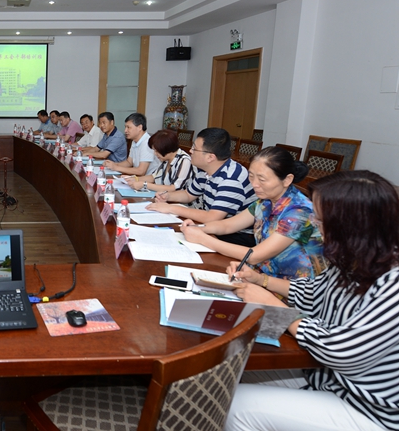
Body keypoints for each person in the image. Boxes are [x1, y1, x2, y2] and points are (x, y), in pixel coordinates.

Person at [225, 170, 399, 431]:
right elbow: (311, 293)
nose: (315, 224)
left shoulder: (393, 281)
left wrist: (275, 307)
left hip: (368, 408)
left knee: (235, 406)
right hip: (326, 378)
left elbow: (342, 351)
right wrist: (260, 280)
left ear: (350, 226)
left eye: (320, 219)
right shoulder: (354, 258)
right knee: (228, 371)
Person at [181, 146, 325, 280]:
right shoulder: (265, 201)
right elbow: (228, 225)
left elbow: (255, 256)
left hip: (291, 287)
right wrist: (198, 228)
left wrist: (203, 238)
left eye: (262, 179)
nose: (254, 184)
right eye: (251, 176)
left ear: (287, 180)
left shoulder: (300, 211)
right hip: (260, 276)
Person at [147, 127, 257, 246]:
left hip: (238, 235)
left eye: (195, 148)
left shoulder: (231, 179)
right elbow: (188, 195)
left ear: (210, 157)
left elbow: (212, 217)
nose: (190, 151)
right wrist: (168, 196)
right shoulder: (205, 170)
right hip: (215, 226)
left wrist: (171, 208)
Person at [124, 129, 194, 193]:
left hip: (177, 200)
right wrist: (134, 179)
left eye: (157, 151)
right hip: (164, 197)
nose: (155, 154)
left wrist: (145, 185)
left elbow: (174, 188)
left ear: (166, 149)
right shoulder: (165, 159)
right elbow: (154, 177)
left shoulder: (185, 161)